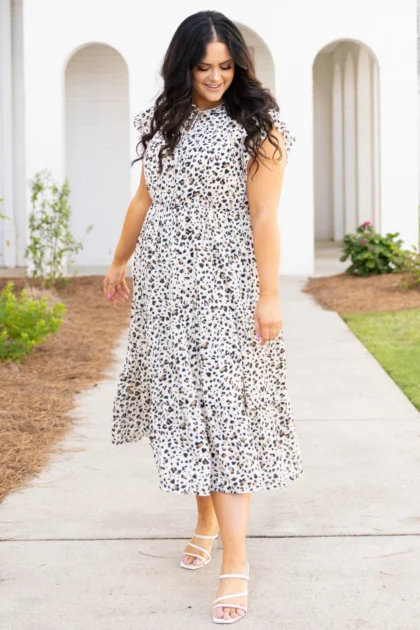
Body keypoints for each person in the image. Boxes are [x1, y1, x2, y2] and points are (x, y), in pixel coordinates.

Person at [104, 10, 304, 625]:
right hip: (165, 290)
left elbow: (264, 216)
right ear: (182, 66)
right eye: (203, 67)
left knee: (225, 415)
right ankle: (205, 520)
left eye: (225, 66)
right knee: (185, 410)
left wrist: (268, 296)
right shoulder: (160, 118)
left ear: (239, 66)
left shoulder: (260, 126)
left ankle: (235, 563)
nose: (215, 77)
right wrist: (119, 260)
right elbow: (145, 197)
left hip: (226, 288)